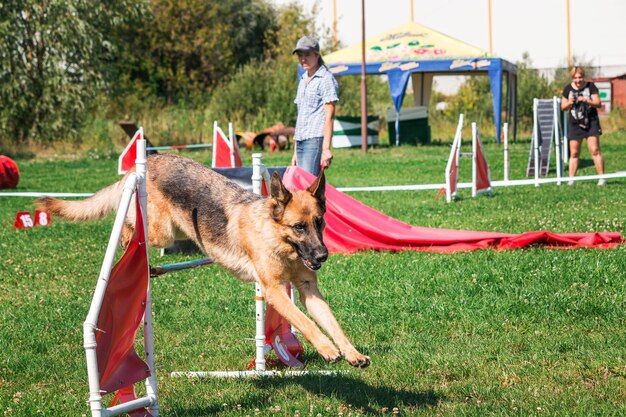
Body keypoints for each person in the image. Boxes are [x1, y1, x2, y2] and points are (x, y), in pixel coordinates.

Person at [291, 36, 338, 176]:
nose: (303, 59)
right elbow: (300, 117)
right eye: (300, 55)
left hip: (314, 140)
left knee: (308, 190)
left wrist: (326, 149)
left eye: (307, 55)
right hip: (300, 140)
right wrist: (295, 152)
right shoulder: (302, 79)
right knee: (302, 188)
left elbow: (329, 116)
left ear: (317, 55)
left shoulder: (326, 79)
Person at [560, 66, 605, 186]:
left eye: (580, 77)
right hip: (575, 124)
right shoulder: (568, 89)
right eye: (575, 78)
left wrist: (586, 100)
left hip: (591, 122)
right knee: (574, 153)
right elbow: (562, 107)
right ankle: (571, 180)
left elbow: (598, 103)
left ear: (583, 77)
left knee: (594, 150)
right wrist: (569, 102)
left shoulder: (591, 87)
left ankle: (602, 178)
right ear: (572, 78)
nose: (578, 80)